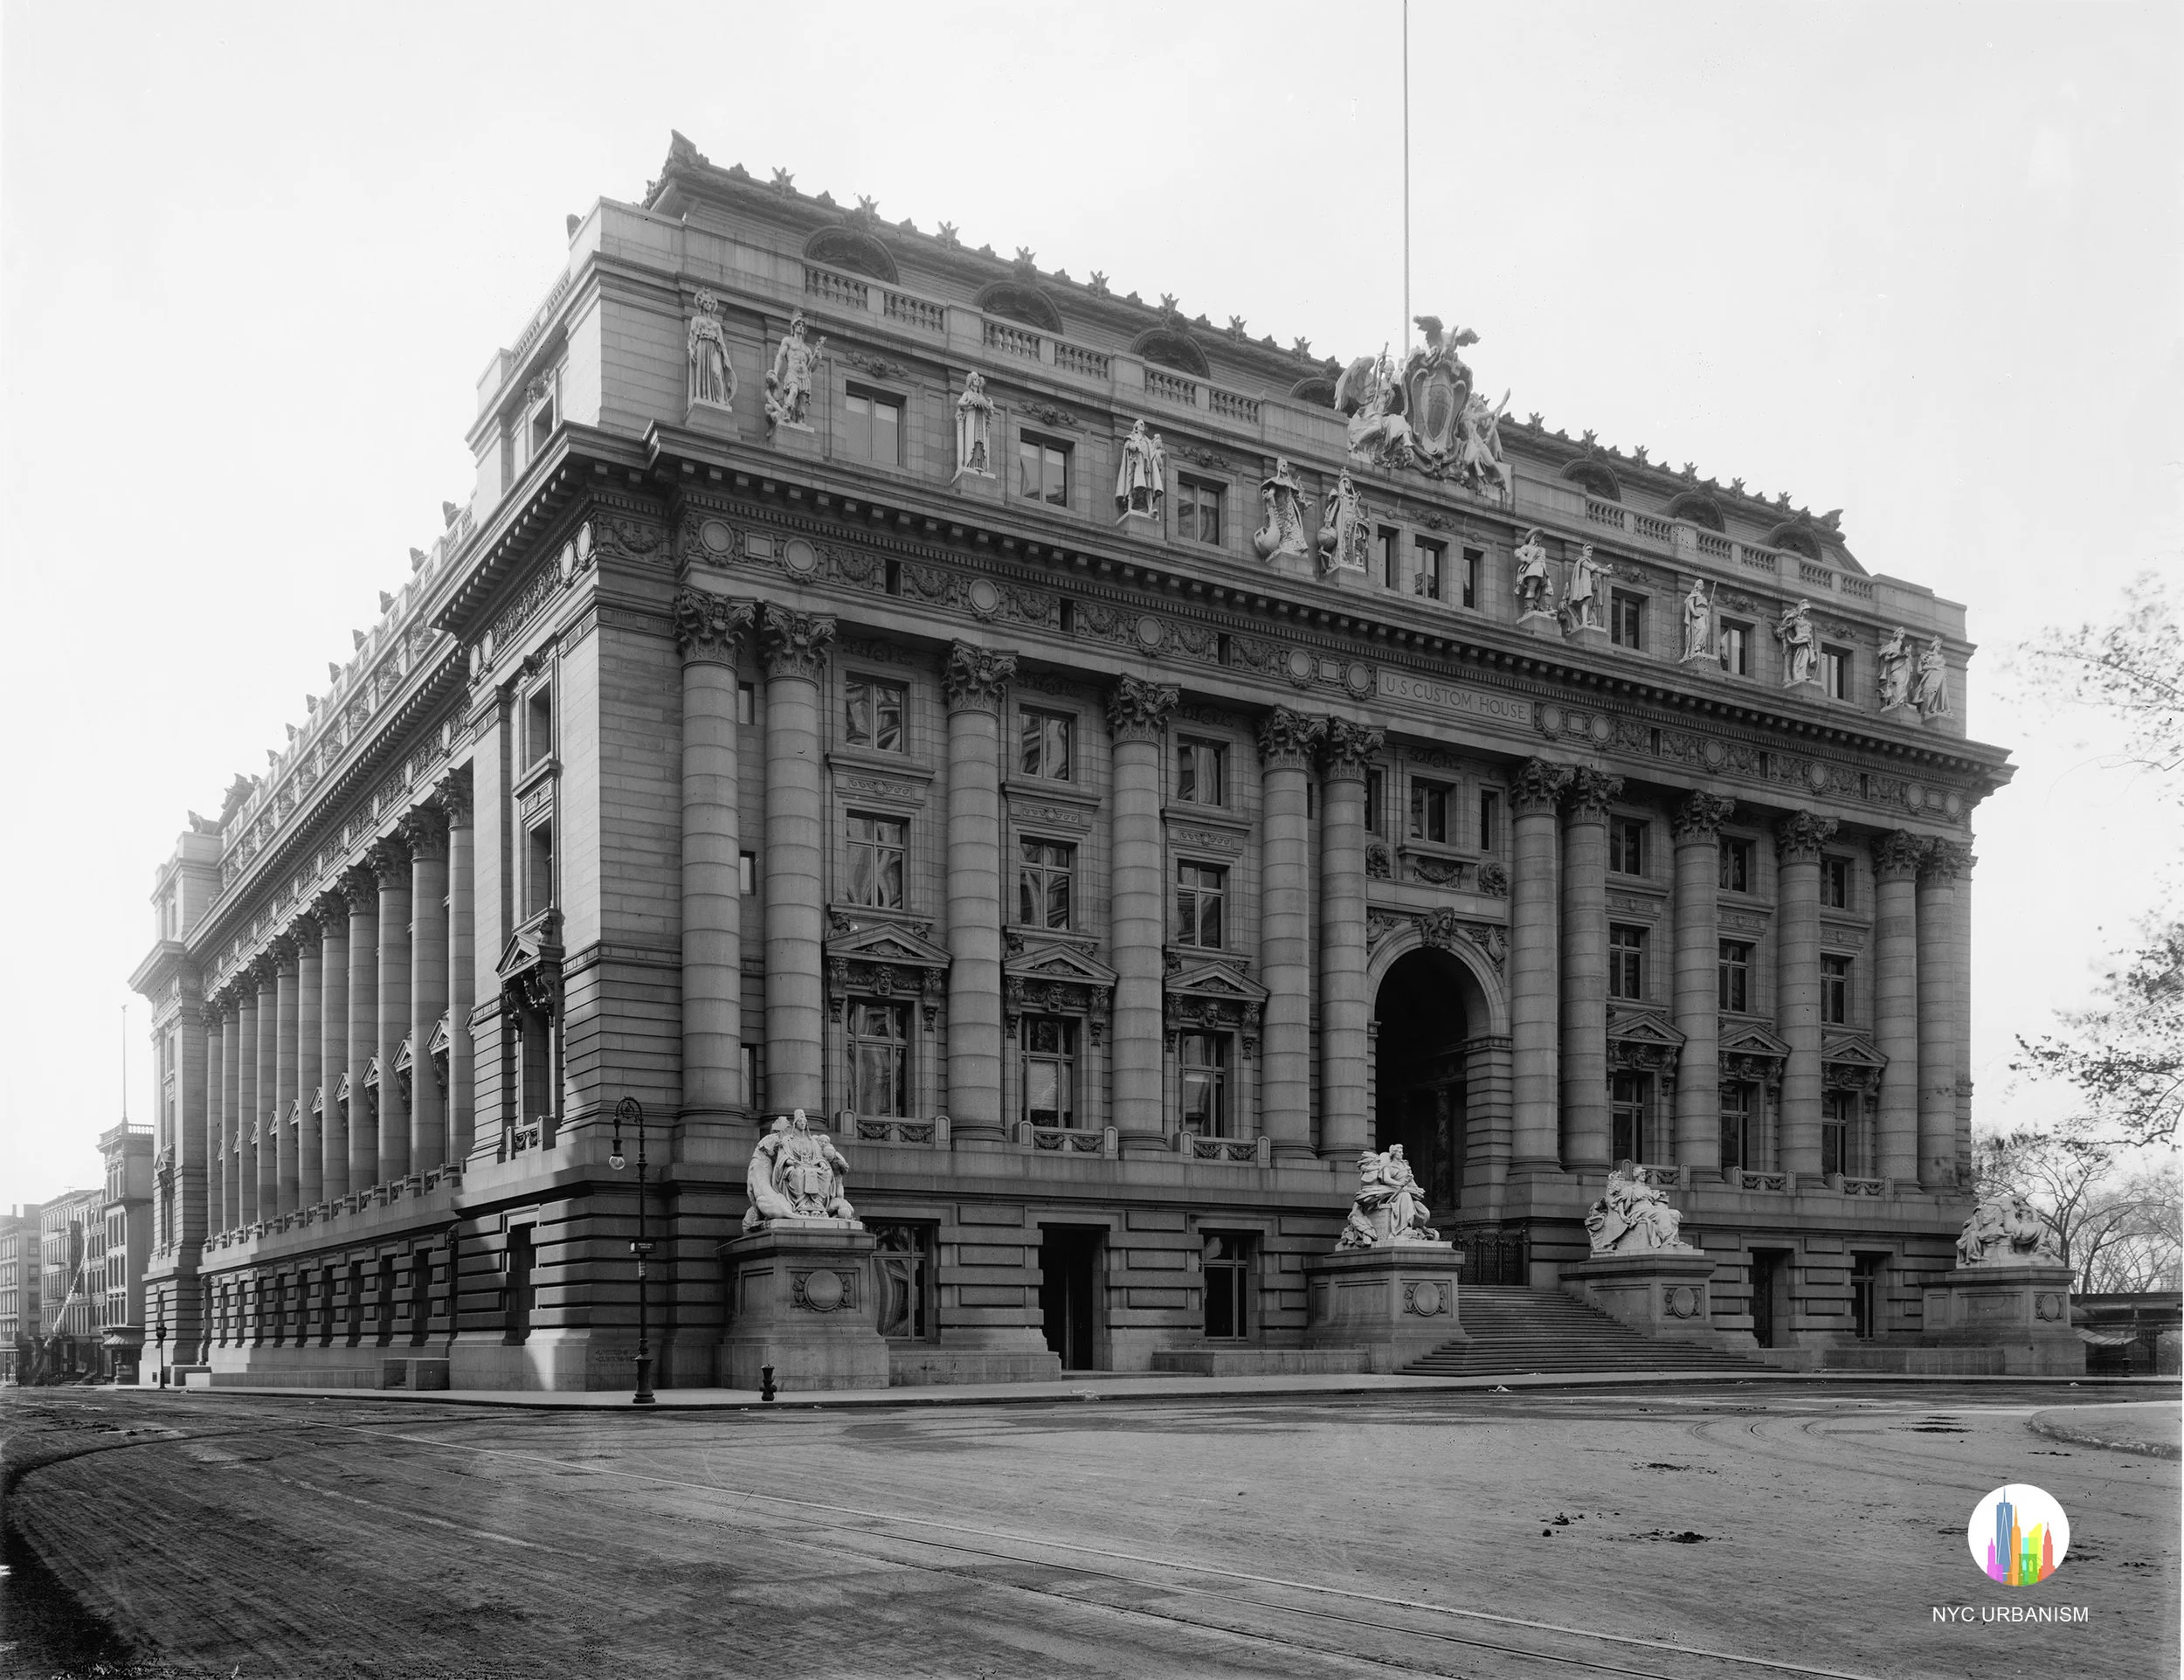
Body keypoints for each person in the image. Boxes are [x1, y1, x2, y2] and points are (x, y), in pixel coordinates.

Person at [764, 311, 826, 430]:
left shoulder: (807, 349)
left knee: (802, 398)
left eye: (802, 326)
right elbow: (780, 357)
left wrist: (818, 355)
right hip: (792, 372)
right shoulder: (788, 341)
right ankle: (786, 410)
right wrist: (775, 373)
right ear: (794, 327)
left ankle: (800, 420)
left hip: (804, 375)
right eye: (798, 325)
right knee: (794, 391)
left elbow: (812, 367)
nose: (801, 327)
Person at [1911, 637, 1951, 718]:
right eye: (1937, 645)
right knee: (1931, 692)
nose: (1939, 647)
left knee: (1941, 692)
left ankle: (1939, 708)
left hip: (1941, 676)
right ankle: (1929, 709)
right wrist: (1935, 667)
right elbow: (1924, 667)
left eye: (1939, 645)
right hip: (1931, 676)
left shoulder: (1941, 657)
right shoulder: (1927, 656)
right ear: (1934, 646)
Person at [1682, 577, 1714, 660]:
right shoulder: (1694, 595)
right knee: (1701, 629)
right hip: (1698, 614)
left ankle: (1700, 647)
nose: (1701, 586)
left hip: (1704, 615)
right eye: (1700, 584)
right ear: (1697, 586)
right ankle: (1696, 647)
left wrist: (1709, 605)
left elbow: (1705, 606)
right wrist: (1694, 613)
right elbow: (1690, 604)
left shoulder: (1703, 597)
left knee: (1705, 631)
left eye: (1702, 585)